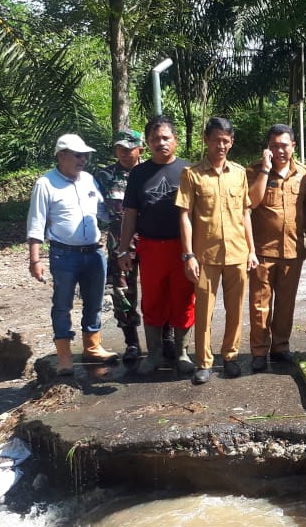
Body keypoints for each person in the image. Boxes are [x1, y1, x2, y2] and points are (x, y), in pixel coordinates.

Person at [26, 133, 118, 375]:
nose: (83, 160)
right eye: (78, 155)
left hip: (94, 253)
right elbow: (36, 224)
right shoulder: (45, 184)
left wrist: (124, 216)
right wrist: (35, 260)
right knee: (62, 304)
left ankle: (92, 347)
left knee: (94, 301)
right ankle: (64, 356)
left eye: (85, 156)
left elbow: (103, 211)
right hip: (64, 255)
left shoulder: (88, 180)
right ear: (62, 155)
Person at [176, 117, 258, 384]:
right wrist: (188, 254)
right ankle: (204, 362)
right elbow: (185, 216)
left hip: (237, 253)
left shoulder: (239, 173)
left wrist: (252, 250)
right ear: (206, 140)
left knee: (235, 310)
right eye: (215, 140)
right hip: (205, 256)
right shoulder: (192, 174)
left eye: (225, 141)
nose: (220, 146)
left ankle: (231, 357)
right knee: (204, 311)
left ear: (231, 142)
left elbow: (245, 214)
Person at [118, 116, 194, 373]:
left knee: (184, 298)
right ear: (147, 143)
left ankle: (182, 353)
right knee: (152, 300)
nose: (161, 143)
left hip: (182, 248)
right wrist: (123, 249)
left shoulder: (189, 171)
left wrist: (195, 251)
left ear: (175, 140)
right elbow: (130, 213)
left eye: (165, 138)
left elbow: (199, 214)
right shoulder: (139, 174)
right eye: (154, 139)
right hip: (150, 248)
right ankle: (154, 355)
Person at [246, 124, 306, 371]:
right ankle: (259, 351)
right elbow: (252, 202)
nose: (279, 150)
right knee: (260, 305)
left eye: (284, 145)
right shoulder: (254, 170)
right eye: (274, 146)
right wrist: (265, 169)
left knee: (286, 303)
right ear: (267, 148)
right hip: (262, 250)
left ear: (293, 146)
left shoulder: (302, 173)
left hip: (292, 249)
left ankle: (281, 347)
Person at [96, 129, 144, 362]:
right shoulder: (105, 176)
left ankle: (165, 339)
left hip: (151, 238)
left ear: (140, 149)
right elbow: (98, 208)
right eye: (120, 149)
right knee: (122, 291)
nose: (124, 153)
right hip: (119, 241)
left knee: (159, 290)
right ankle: (131, 342)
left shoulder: (151, 171)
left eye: (129, 149)